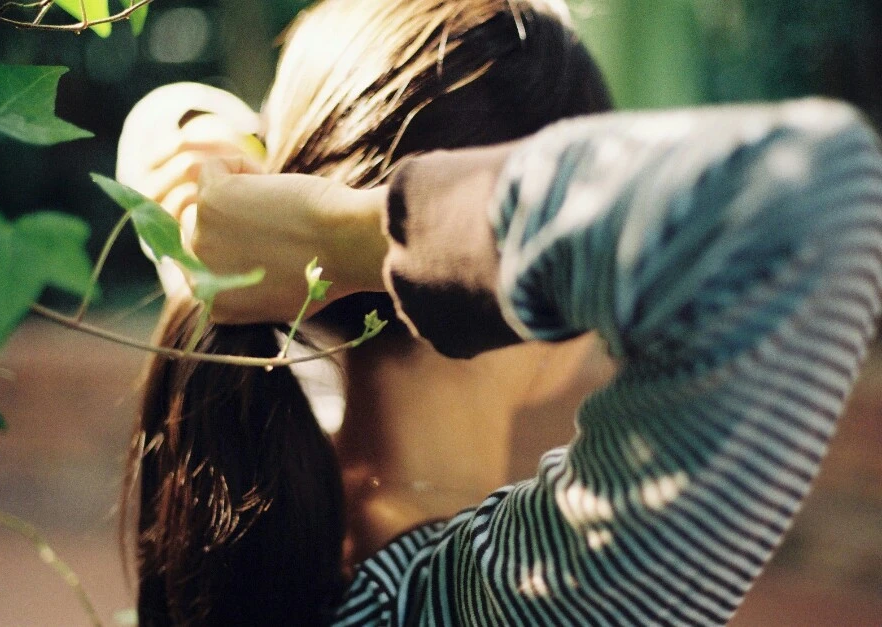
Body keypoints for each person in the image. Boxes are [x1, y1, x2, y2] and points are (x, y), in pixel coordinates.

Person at [177, 98, 882, 626]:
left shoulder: (254, 504)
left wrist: (182, 147)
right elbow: (810, 197)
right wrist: (352, 230)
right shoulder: (499, 604)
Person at [118, 1, 616, 624]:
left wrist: (313, 234)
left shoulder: (269, 520)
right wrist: (351, 232)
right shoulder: (538, 591)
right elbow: (731, 225)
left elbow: (151, 130)